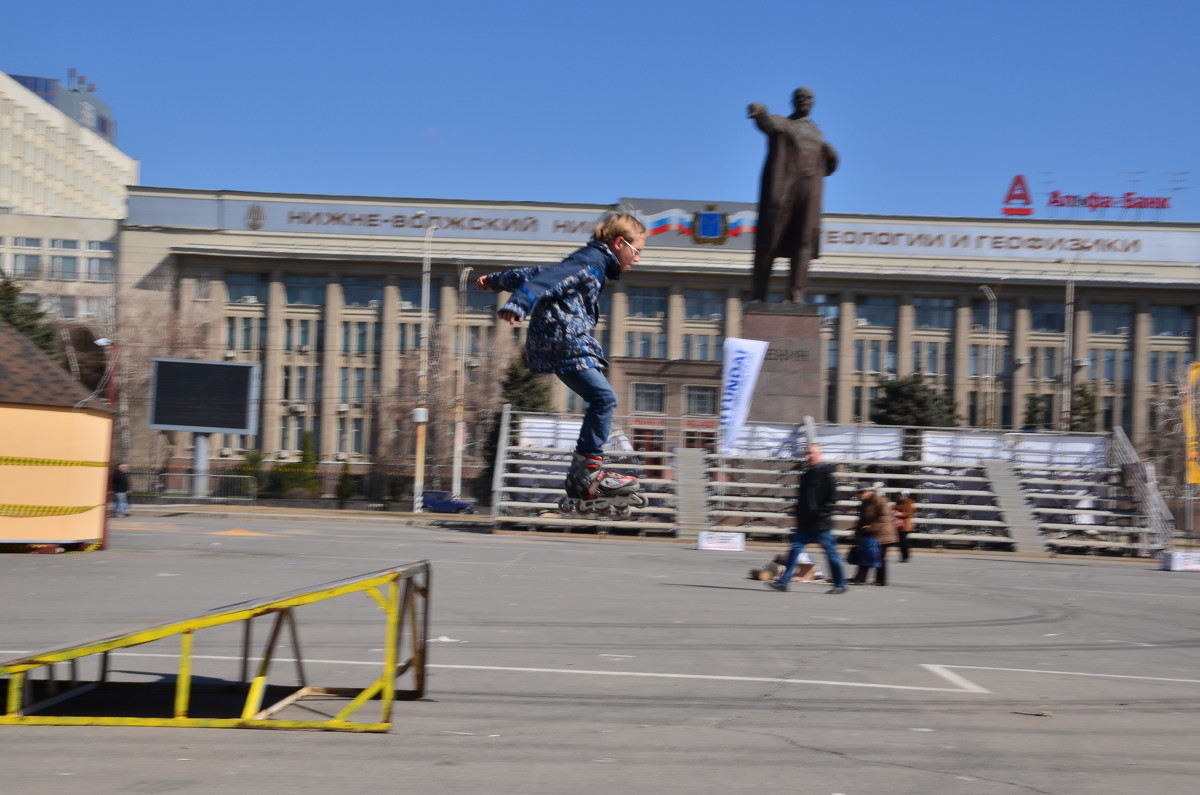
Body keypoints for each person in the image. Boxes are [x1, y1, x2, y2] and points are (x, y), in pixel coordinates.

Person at [476, 212, 646, 505]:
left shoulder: (589, 262)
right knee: (604, 398)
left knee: (600, 398)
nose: (638, 259)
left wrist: (495, 280)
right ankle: (587, 471)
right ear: (619, 243)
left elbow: (538, 272)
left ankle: (581, 477)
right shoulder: (591, 262)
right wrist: (519, 301)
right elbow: (549, 279)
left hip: (552, 343)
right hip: (566, 341)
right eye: (637, 251)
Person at [747, 86, 839, 303]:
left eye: (808, 98)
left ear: (813, 103)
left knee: (804, 240)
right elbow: (766, 122)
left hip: (809, 191)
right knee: (770, 240)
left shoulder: (817, 134)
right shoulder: (783, 124)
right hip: (784, 189)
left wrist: (832, 155)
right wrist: (758, 110)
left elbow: (830, 165)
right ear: (792, 101)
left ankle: (795, 294)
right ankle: (759, 294)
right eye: (799, 98)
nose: (804, 101)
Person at [766, 443, 848, 594]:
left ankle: (840, 584)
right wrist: (798, 513)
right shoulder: (804, 476)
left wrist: (823, 512)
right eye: (807, 453)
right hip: (804, 523)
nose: (808, 456)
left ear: (819, 454)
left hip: (821, 523)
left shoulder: (827, 475)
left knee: (831, 553)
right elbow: (802, 499)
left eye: (811, 453)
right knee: (794, 550)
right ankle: (784, 582)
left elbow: (833, 497)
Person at [851, 482, 892, 585]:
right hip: (870, 532)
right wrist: (858, 534)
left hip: (883, 532)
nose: (859, 496)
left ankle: (880, 580)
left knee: (880, 557)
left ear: (867, 491)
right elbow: (861, 520)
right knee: (865, 553)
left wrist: (871, 527)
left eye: (861, 493)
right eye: (858, 493)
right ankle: (860, 578)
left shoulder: (880, 501)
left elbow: (884, 518)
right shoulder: (864, 502)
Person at [893, 488, 917, 562]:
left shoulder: (910, 502)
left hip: (906, 525)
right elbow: (895, 509)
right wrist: (894, 512)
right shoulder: (898, 502)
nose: (898, 496)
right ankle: (904, 556)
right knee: (900, 542)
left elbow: (910, 513)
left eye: (900, 495)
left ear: (905, 495)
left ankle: (905, 556)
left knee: (904, 541)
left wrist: (900, 513)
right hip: (899, 525)